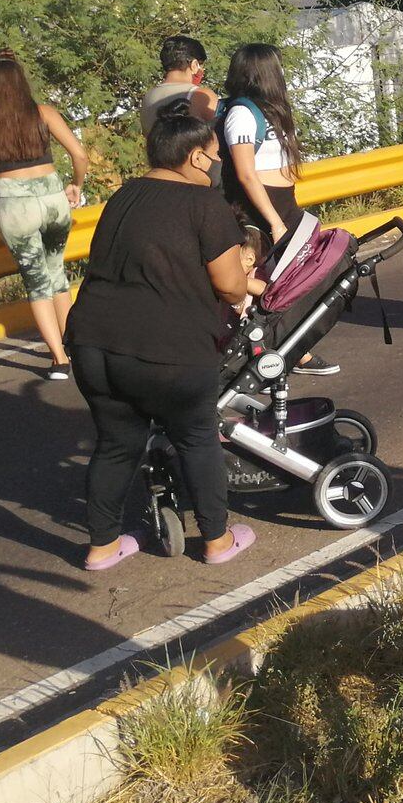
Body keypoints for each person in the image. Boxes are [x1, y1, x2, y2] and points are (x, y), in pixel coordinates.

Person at [65, 104, 263, 572]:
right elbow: (232, 285)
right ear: (196, 157)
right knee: (196, 437)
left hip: (94, 342)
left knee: (116, 443)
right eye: (215, 155)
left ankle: (102, 547)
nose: (217, 164)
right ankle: (215, 540)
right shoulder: (204, 205)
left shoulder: (124, 195)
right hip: (168, 350)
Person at [0, 50, 89, 381]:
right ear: (21, 80)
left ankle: (59, 359)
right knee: (57, 273)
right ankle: (76, 344)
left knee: (37, 283)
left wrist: (6, 194)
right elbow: (79, 154)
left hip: (16, 207)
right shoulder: (43, 113)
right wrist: (74, 185)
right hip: (53, 200)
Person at [218, 43, 333, 376]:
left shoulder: (270, 109)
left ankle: (287, 349)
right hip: (261, 209)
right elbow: (244, 173)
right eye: (277, 67)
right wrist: (273, 221)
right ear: (264, 72)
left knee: (295, 280)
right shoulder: (242, 112)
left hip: (283, 204)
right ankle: (265, 355)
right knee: (260, 283)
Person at [140, 35, 219, 142]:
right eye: (201, 65)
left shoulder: (148, 96)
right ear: (194, 65)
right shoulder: (201, 95)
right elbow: (219, 135)